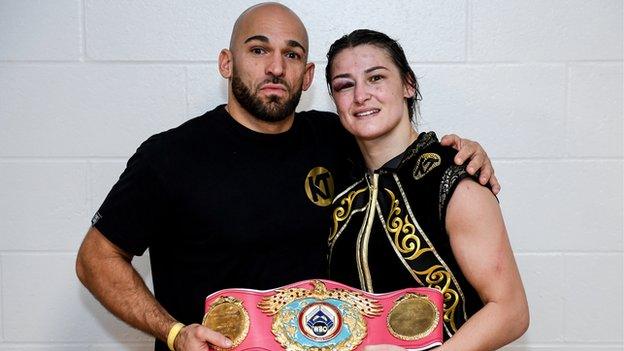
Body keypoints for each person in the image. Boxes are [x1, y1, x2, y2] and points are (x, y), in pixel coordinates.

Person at [75, 4, 499, 351]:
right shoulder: (170, 155)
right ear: (227, 62)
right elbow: (95, 259)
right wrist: (172, 332)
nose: (276, 67)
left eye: (292, 54)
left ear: (308, 75)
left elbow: (403, 159)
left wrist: (459, 155)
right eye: (258, 50)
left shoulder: (338, 137)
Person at [325, 29, 529, 351]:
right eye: (344, 85)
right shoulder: (338, 181)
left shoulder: (455, 177)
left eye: (376, 78)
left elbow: (510, 311)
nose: (361, 95)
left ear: (408, 84)